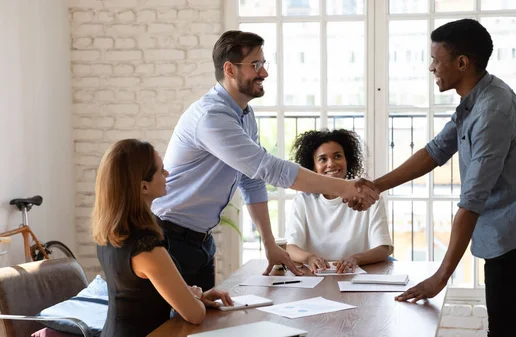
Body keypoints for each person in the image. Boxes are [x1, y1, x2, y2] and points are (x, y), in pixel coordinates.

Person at [354, 19, 516, 337]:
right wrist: (377, 186)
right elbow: (435, 151)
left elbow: (471, 203)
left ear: (461, 63)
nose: (430, 67)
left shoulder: (492, 112)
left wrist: (441, 277)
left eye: (436, 59)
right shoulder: (477, 99)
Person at [151, 30, 379, 290]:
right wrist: (347, 187)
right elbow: (268, 168)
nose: (264, 73)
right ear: (230, 69)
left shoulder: (244, 115)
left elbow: (252, 180)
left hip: (200, 241)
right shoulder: (212, 117)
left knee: (201, 324)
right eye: (255, 65)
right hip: (170, 237)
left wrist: (270, 245)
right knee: (175, 327)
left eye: (263, 63)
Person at [92, 139, 233, 337]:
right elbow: (195, 315)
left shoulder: (112, 233)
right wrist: (195, 299)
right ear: (143, 187)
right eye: (161, 171)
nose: (167, 174)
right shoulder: (146, 248)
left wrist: (195, 296)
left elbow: (142, 296)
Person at [285, 129, 393, 274]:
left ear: (347, 161)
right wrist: (309, 258)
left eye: (337, 156)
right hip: (316, 277)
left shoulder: (368, 197)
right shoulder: (303, 201)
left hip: (358, 278)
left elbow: (383, 249)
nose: (331, 164)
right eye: (323, 159)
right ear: (313, 168)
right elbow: (291, 247)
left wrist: (356, 259)